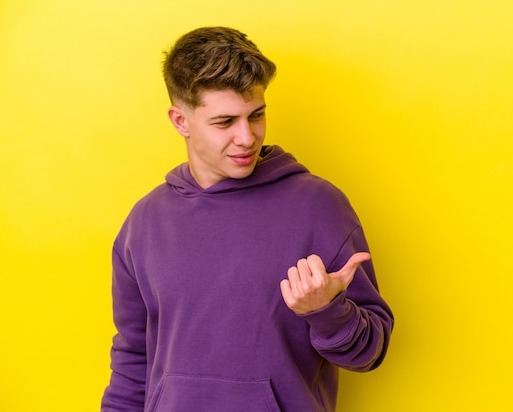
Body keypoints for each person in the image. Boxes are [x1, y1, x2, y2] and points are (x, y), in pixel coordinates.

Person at [101, 26, 394, 412]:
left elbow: (369, 352)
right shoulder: (145, 222)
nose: (247, 137)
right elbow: (133, 357)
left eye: (256, 115)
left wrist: (326, 311)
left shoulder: (317, 206)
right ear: (180, 121)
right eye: (225, 122)